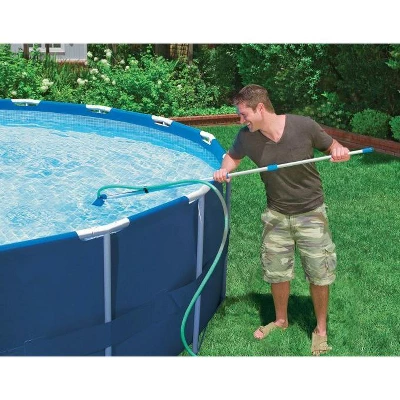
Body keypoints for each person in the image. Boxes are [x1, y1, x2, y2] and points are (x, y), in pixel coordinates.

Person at [213, 84, 350, 356]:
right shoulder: (247, 137)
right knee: (276, 271)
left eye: (243, 114)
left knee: (319, 272)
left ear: (260, 108)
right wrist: (223, 170)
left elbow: (332, 146)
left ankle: (321, 330)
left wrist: (339, 151)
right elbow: (232, 158)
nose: (240, 120)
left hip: (311, 212)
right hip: (276, 214)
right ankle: (280, 320)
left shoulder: (304, 126)